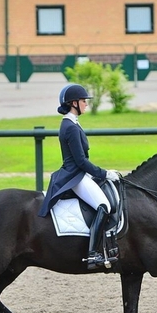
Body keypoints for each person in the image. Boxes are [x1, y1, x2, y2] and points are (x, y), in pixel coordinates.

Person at [38, 84, 120, 269]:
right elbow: (81, 161)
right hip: (75, 176)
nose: (86, 104)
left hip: (77, 173)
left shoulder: (72, 123)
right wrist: (104, 173)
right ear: (73, 103)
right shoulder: (70, 127)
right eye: (83, 101)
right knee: (104, 205)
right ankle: (93, 254)